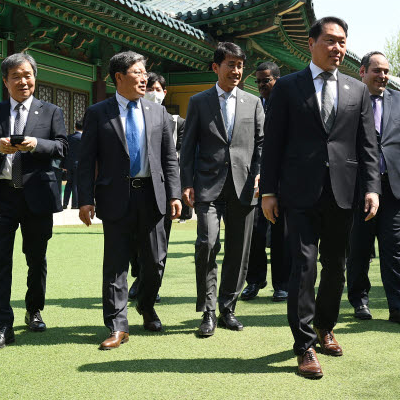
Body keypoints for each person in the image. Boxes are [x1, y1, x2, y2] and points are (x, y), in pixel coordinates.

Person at [260, 16, 381, 379]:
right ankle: (304, 346)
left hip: (343, 193)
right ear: (310, 44)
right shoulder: (287, 87)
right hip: (298, 193)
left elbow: (367, 145)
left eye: (342, 42)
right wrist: (268, 190)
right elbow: (274, 143)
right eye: (330, 40)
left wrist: (372, 187)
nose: (338, 48)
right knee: (303, 266)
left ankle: (326, 327)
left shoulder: (356, 90)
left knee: (336, 267)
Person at [77, 51, 182, 349]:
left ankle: (146, 305)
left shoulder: (157, 112)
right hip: (115, 196)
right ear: (119, 78)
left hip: (153, 195)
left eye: (144, 72)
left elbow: (169, 158)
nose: (144, 77)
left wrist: (174, 193)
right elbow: (85, 161)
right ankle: (117, 325)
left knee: (154, 261)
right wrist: (85, 200)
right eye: (137, 72)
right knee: (116, 264)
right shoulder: (98, 113)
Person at [0, 52, 68, 351]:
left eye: (27, 75)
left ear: (35, 78)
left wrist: (36, 144)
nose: (23, 81)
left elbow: (63, 147)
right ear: (6, 81)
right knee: (0, 260)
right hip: (2, 194)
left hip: (38, 195)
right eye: (16, 76)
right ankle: (3, 325)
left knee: (36, 258)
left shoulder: (51, 111)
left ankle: (34, 310)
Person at [181, 42, 264, 337]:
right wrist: (187, 183)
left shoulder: (253, 103)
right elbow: (188, 146)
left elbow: (261, 144)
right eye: (230, 64)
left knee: (239, 250)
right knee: (207, 243)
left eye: (240, 65)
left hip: (244, 187)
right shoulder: (199, 102)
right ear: (216, 67)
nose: (237, 70)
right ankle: (208, 310)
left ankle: (228, 307)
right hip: (207, 186)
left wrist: (259, 175)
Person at [346, 52, 400, 326]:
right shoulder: (350, 99)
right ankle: (359, 300)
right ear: (362, 72)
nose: (383, 76)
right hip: (358, 188)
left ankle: (398, 307)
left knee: (396, 249)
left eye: (386, 71)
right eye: (377, 70)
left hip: (396, 187)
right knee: (358, 248)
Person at [129, 71, 181, 302]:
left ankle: (152, 285)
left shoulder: (176, 122)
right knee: (133, 240)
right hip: (135, 187)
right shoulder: (132, 116)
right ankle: (139, 276)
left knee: (159, 242)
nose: (153, 93)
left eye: (157, 89)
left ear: (164, 92)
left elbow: (178, 158)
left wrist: (178, 191)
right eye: (149, 88)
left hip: (164, 189)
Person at [241, 61, 290, 302]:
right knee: (256, 233)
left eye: (266, 80)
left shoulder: (290, 104)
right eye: (258, 81)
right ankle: (254, 280)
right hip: (255, 179)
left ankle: (282, 284)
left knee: (281, 233)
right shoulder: (252, 106)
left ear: (277, 80)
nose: (261, 85)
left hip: (283, 179)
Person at [62, 120, 82, 210]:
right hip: (79, 164)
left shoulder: (68, 137)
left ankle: (65, 204)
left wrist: (63, 164)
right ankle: (75, 204)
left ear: (75, 127)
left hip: (69, 164)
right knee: (76, 184)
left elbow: (64, 152)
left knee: (68, 184)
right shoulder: (84, 138)